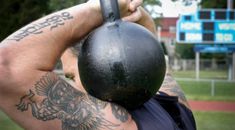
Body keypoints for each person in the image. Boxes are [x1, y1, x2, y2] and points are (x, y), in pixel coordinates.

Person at [0, 0, 196, 129]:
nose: (73, 86)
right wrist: (129, 10)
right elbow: (150, 55)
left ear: (95, 65)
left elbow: (5, 66)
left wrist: (95, 8)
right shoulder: (173, 102)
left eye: (71, 76)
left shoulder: (119, 125)